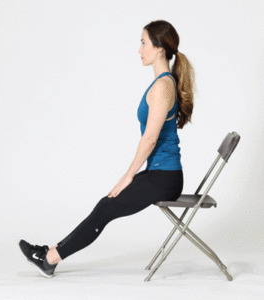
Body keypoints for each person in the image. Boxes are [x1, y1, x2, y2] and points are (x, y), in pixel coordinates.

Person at [19, 19, 195, 278]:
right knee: (105, 205)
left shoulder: (162, 87)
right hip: (161, 174)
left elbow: (149, 139)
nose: (139, 49)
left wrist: (128, 176)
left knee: (106, 208)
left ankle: (49, 259)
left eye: (143, 42)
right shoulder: (162, 84)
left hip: (164, 178)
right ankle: (52, 252)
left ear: (159, 48)